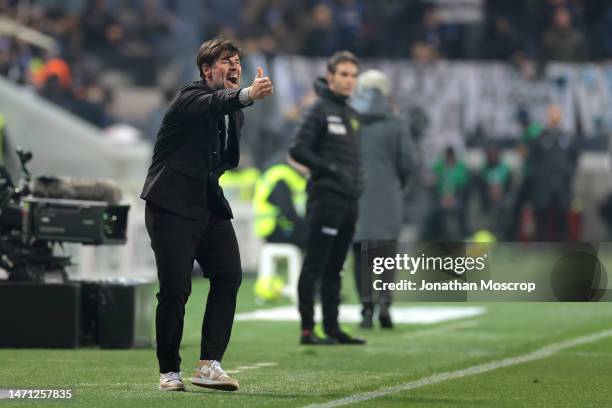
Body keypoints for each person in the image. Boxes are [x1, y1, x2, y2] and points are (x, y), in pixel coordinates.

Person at [140, 38, 274, 392]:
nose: (234, 67)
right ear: (206, 70)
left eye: (237, 62)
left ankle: (209, 365)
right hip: (170, 206)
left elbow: (224, 158)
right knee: (175, 289)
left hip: (207, 203)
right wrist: (246, 95)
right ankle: (169, 371)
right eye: (226, 62)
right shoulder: (190, 98)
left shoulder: (236, 115)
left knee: (229, 275)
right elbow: (215, 103)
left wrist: (241, 101)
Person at [289, 50, 365, 345]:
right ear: (330, 76)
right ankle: (308, 329)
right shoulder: (318, 109)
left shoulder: (352, 114)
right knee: (315, 265)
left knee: (336, 266)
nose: (349, 81)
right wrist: (331, 169)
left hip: (349, 201)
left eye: (353, 76)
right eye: (344, 74)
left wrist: (358, 183)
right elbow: (298, 149)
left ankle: (332, 327)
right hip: (326, 198)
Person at [351, 69, 417, 329]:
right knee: (386, 255)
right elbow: (409, 163)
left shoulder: (350, 121)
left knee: (360, 256)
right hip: (388, 199)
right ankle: (385, 305)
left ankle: (366, 310)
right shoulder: (395, 123)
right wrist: (398, 186)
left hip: (356, 198)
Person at [529, 104, 580, 241]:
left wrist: (568, 172)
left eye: (557, 113)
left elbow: (574, 157)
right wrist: (538, 175)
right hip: (543, 184)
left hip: (562, 183)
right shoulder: (540, 138)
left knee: (562, 214)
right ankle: (542, 243)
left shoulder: (567, 138)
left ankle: (561, 244)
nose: (554, 117)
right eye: (551, 113)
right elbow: (533, 159)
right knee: (542, 214)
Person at [253, 155, 308, 249]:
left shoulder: (291, 175)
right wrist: (306, 226)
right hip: (274, 229)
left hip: (280, 227)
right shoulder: (281, 176)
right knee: (315, 239)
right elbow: (287, 211)